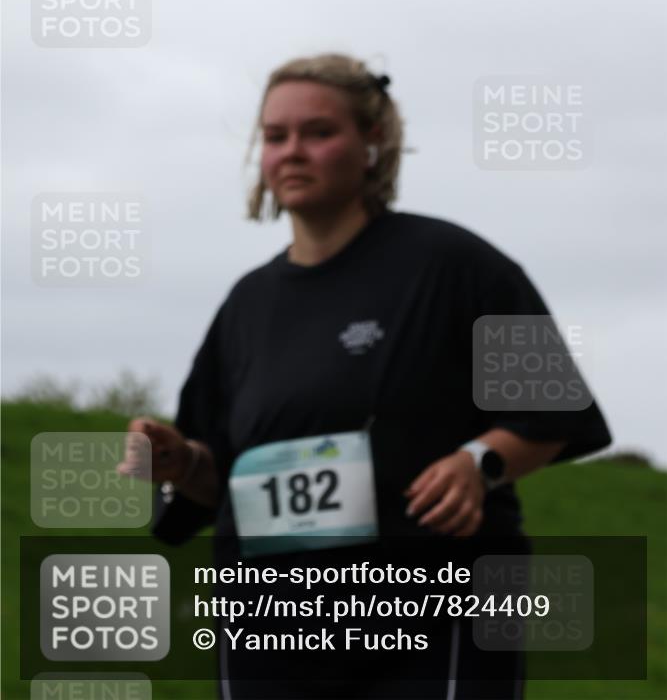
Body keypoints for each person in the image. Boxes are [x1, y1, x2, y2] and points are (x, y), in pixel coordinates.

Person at [120, 53, 612, 699]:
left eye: (318, 132)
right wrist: (181, 461)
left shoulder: (456, 265)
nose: (292, 152)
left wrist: (477, 463)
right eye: (275, 137)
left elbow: (556, 413)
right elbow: (220, 476)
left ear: (372, 144)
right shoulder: (246, 305)